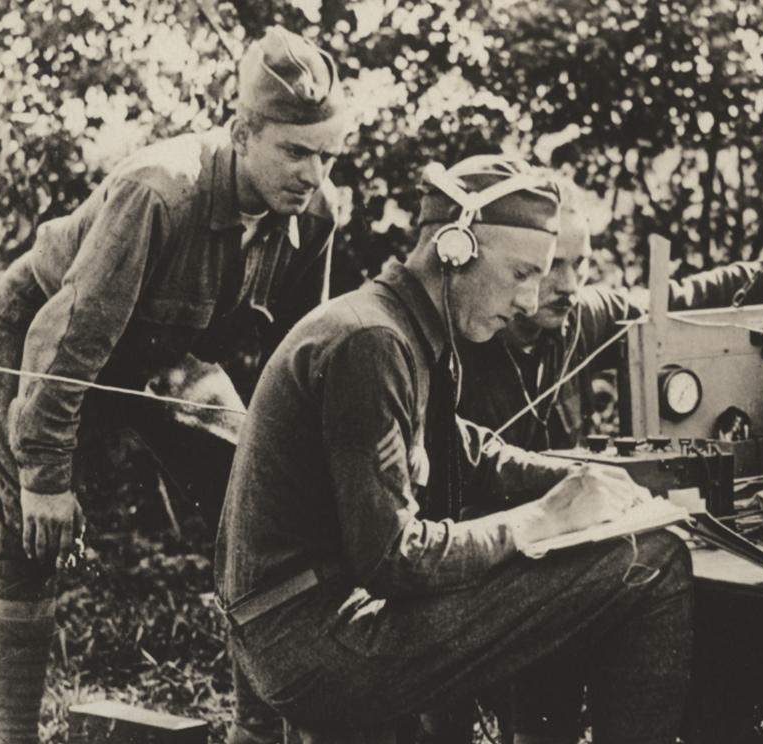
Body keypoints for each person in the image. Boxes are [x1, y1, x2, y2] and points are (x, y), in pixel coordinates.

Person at [215, 156, 693, 744]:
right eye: (521, 273)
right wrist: (544, 519)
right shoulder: (373, 342)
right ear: (454, 250)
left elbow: (471, 452)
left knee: (611, 547)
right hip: (320, 644)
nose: (529, 300)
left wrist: (592, 480)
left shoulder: (405, 327)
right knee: (652, 560)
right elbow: (393, 555)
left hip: (304, 627)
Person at [0, 27, 350, 744]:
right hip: (42, 335)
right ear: (241, 132)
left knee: (258, 516)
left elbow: (301, 360)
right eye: (296, 151)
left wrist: (309, 461)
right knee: (30, 532)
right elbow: (71, 336)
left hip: (164, 355)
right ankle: (8, 728)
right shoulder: (160, 192)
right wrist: (45, 475)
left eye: (328, 156)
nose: (312, 174)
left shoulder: (317, 212)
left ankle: (259, 726)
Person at [457, 179, 763, 451]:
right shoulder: (461, 339)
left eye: (579, 264)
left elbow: (700, 295)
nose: (569, 285)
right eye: (551, 266)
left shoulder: (583, 316)